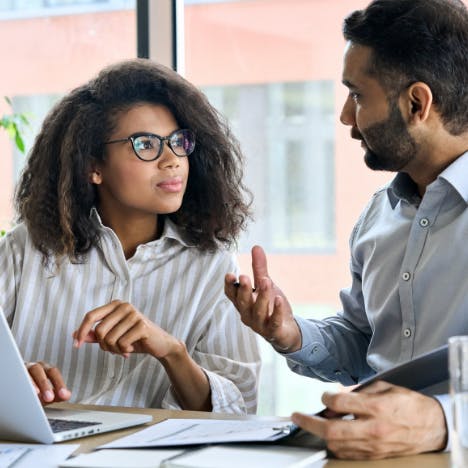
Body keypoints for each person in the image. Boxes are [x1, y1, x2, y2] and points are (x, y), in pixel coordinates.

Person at [225, 0, 468, 459]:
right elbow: (363, 344)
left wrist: (443, 422)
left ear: (417, 103)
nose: (344, 117)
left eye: (357, 95)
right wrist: (291, 334)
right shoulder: (380, 216)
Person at [0, 58, 260, 414]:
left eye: (178, 142)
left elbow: (240, 409)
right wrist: (13, 381)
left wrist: (172, 353)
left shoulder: (213, 265)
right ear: (93, 166)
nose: (172, 160)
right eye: (145, 144)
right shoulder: (24, 250)